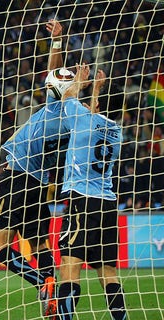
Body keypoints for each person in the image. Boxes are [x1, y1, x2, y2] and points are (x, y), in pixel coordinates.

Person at [0, 19, 66, 317]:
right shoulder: (75, 121)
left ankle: (40, 284)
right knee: (41, 244)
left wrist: (57, 41)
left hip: (16, 178)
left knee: (0, 251)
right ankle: (52, 287)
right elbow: (57, 76)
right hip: (38, 183)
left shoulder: (54, 108)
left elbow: (53, 71)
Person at [57, 64, 126, 320]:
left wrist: (83, 81)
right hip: (107, 204)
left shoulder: (82, 119)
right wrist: (98, 91)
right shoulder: (118, 133)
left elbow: (67, 97)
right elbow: (99, 114)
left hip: (81, 201)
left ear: (98, 102)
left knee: (70, 267)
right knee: (108, 273)